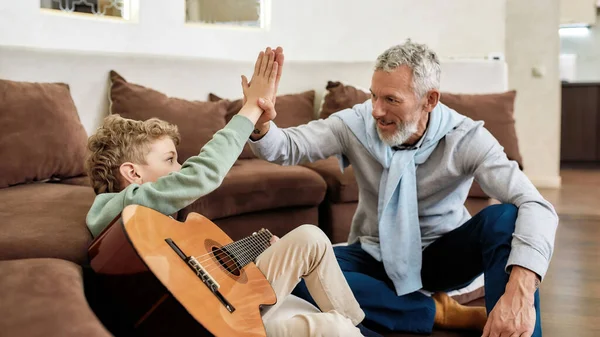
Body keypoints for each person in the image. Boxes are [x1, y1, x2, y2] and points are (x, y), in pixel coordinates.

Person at [247, 40, 558, 337]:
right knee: (296, 272)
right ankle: (439, 313)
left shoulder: (466, 138)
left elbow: (536, 204)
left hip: (441, 255)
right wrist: (260, 123)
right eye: (374, 96)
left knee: (504, 218)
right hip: (373, 253)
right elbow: (287, 147)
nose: (376, 111)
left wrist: (521, 287)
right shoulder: (355, 124)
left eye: (391, 100)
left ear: (430, 100)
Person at [84, 47, 377, 337]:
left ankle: (358, 328)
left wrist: (253, 250)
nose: (180, 167)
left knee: (311, 238)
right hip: (212, 325)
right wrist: (250, 110)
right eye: (170, 159)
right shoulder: (117, 213)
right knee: (332, 327)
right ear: (132, 173)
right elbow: (201, 175)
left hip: (225, 303)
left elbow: (195, 273)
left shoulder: (154, 225)